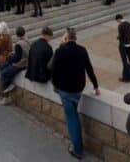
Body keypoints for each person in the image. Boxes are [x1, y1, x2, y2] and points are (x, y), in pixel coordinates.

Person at [51, 27, 100, 160]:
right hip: (78, 88)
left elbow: (53, 69)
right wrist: (96, 86)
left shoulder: (60, 51)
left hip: (65, 89)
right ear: (75, 37)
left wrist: (55, 84)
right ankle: (77, 145)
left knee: (72, 118)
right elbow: (89, 69)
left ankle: (77, 150)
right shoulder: (82, 50)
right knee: (73, 114)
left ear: (66, 38)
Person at [0, 26, 30, 105]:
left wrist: (9, 59)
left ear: (16, 34)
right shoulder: (27, 41)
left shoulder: (18, 44)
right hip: (26, 62)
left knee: (4, 73)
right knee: (3, 66)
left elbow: (17, 59)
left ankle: (6, 97)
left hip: (21, 64)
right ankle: (9, 84)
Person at [116, 14, 130, 82]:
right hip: (129, 44)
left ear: (119, 19)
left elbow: (120, 36)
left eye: (117, 21)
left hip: (123, 44)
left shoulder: (120, 25)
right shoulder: (129, 23)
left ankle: (126, 78)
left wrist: (118, 37)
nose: (117, 22)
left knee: (125, 61)